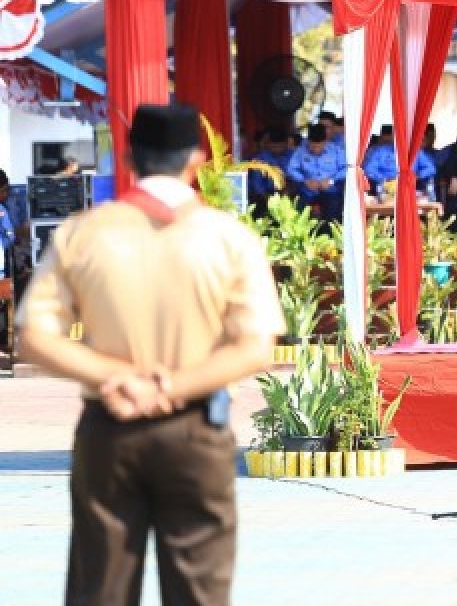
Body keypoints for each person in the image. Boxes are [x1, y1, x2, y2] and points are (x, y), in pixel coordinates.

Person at [16, 103, 283, 606]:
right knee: (200, 590)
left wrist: (117, 378)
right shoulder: (229, 238)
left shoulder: (82, 232)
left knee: (101, 589)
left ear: (129, 158)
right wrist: (169, 386)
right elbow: (255, 346)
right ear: (197, 161)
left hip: (109, 425)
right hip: (195, 429)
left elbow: (33, 336)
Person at [287, 124, 347, 221]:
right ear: (308, 141)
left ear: (325, 141)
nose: (315, 149)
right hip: (307, 190)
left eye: (319, 146)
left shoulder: (336, 150)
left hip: (331, 190)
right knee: (298, 213)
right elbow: (291, 169)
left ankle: (328, 232)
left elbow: (347, 169)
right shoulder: (301, 151)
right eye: (313, 146)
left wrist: (331, 180)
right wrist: (305, 180)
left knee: (333, 215)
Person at [248, 127, 293, 211]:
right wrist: (269, 199)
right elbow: (257, 185)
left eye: (280, 146)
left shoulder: (293, 156)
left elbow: (297, 179)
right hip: (266, 195)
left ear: (286, 144)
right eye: (274, 146)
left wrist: (288, 191)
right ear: (268, 144)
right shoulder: (260, 159)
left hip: (287, 192)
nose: (277, 149)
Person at [363, 125, 400, 196]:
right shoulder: (378, 151)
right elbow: (369, 169)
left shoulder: (412, 151)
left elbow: (427, 167)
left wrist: (418, 176)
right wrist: (385, 179)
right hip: (383, 186)